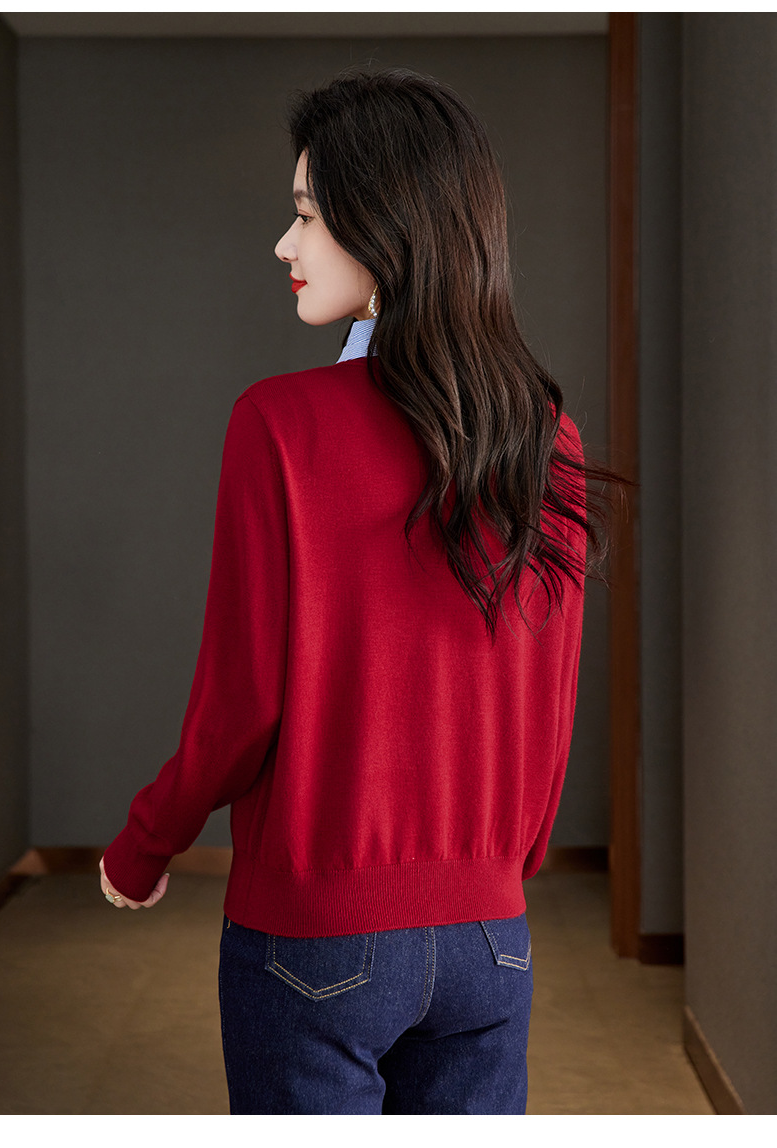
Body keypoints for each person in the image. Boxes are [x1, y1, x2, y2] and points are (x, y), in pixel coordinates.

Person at [99, 67, 610, 1115]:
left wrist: (145, 843)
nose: (283, 245)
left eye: (305, 215)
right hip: (490, 933)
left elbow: (241, 703)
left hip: (317, 937)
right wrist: (496, 867)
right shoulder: (545, 433)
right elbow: (550, 692)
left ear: (383, 228)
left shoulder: (279, 424)